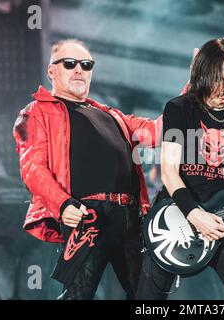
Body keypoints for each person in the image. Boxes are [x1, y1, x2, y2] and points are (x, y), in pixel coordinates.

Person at [12, 39, 162, 299]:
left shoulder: (112, 115)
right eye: (69, 64)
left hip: (130, 216)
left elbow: (157, 131)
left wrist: (194, 91)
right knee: (79, 294)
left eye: (86, 64)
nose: (79, 70)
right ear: (52, 71)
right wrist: (62, 204)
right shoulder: (38, 111)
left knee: (149, 295)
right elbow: (32, 166)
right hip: (87, 215)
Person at [136, 38, 224, 300]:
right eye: (218, 79)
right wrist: (194, 214)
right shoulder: (178, 109)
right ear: (203, 75)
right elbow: (169, 172)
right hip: (175, 217)